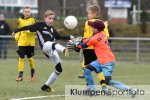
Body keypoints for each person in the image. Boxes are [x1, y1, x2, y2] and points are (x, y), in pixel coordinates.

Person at [12, 10, 74, 92]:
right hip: (45, 46)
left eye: (53, 19)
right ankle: (64, 50)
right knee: (53, 44)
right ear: (45, 18)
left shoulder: (52, 29)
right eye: (50, 18)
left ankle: (46, 86)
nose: (51, 20)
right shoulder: (39, 25)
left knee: (59, 69)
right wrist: (16, 31)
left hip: (52, 50)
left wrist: (70, 37)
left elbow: (59, 37)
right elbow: (27, 27)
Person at [77, 20, 135, 97]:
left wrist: (75, 44)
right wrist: (79, 41)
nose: (91, 27)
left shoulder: (95, 38)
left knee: (107, 81)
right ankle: (92, 90)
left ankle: (130, 90)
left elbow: (84, 45)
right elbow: (88, 40)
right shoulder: (102, 33)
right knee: (87, 69)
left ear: (96, 29)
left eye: (92, 27)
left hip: (107, 61)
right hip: (101, 60)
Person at [79, 5, 110, 91]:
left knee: (86, 68)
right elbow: (106, 35)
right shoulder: (102, 23)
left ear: (94, 13)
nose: (88, 15)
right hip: (98, 49)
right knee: (98, 69)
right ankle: (104, 86)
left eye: (88, 13)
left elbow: (85, 37)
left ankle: (89, 87)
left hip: (88, 48)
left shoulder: (88, 23)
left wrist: (80, 44)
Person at [14, 6, 37, 81]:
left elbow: (36, 30)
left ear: (30, 13)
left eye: (28, 12)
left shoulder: (33, 20)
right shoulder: (20, 20)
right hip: (22, 42)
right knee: (21, 57)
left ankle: (32, 72)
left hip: (30, 43)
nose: (27, 13)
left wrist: (30, 31)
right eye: (26, 11)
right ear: (23, 12)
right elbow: (19, 30)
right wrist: (16, 36)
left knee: (30, 58)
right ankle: (20, 75)